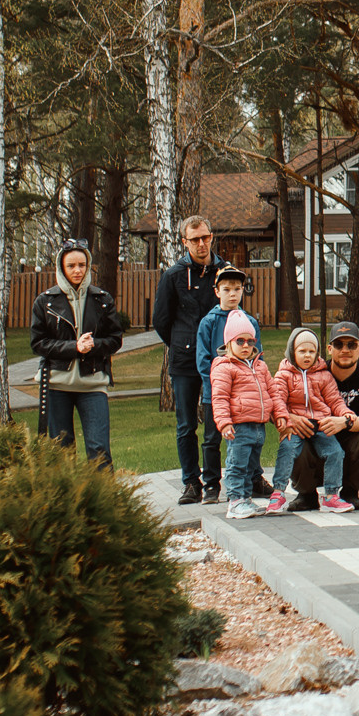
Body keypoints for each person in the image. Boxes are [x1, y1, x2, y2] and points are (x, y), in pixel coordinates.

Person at [31, 240, 125, 467]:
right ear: (61, 267)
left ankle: (104, 500)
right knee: (60, 451)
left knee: (99, 448)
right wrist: (74, 347)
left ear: (88, 265)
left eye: (82, 265)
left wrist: (93, 345)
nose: (77, 270)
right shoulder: (45, 302)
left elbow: (115, 339)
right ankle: (65, 502)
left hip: (93, 384)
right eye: (71, 265)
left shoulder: (102, 300)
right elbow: (38, 343)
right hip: (56, 385)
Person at [153, 215, 226, 505]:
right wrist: (183, 343)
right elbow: (161, 320)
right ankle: (191, 482)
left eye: (205, 237)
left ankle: (214, 482)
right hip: (184, 360)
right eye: (194, 239)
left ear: (211, 237)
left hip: (218, 361)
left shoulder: (224, 271)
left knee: (216, 422)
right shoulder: (173, 275)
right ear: (184, 242)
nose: (201, 243)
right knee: (186, 424)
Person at [288, 321, 359, 510]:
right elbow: (276, 402)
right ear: (330, 349)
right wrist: (290, 418)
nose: (345, 350)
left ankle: (350, 492)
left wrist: (345, 423)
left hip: (349, 449)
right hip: (313, 442)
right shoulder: (311, 375)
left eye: (351, 345)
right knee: (291, 439)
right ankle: (306, 495)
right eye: (339, 345)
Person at [193, 266, 265, 503]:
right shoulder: (209, 322)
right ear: (217, 292)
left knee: (249, 439)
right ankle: (212, 484)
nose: (232, 294)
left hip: (246, 398)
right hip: (218, 394)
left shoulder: (250, 321)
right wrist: (216, 388)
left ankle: (253, 479)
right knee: (212, 439)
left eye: (237, 289)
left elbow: (257, 357)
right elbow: (204, 360)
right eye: (226, 289)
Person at [271, 327, 351, 514]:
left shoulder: (323, 375)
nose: (307, 356)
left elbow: (334, 400)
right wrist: (283, 420)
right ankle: (278, 492)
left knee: (335, 452)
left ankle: (331, 495)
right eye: (302, 351)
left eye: (311, 351)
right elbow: (277, 401)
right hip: (295, 426)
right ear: (292, 351)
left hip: (321, 423)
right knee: (287, 449)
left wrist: (346, 413)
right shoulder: (284, 375)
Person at [211, 311, 282, 517]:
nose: (245, 346)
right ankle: (235, 501)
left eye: (250, 341)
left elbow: (273, 392)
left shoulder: (259, 366)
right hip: (239, 426)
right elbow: (220, 397)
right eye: (239, 340)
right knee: (237, 464)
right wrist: (224, 422)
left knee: (251, 466)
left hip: (258, 426)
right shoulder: (225, 368)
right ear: (229, 343)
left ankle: (246, 499)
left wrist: (280, 416)